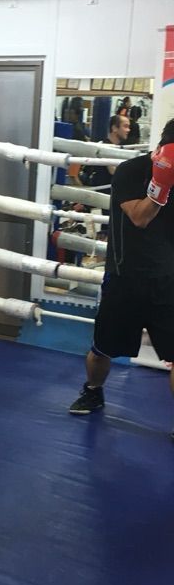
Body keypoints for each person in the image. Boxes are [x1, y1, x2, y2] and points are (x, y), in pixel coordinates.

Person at [69, 118, 174, 421]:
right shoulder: (132, 171)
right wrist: (162, 185)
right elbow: (140, 217)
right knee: (102, 349)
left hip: (167, 281)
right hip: (125, 276)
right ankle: (93, 390)